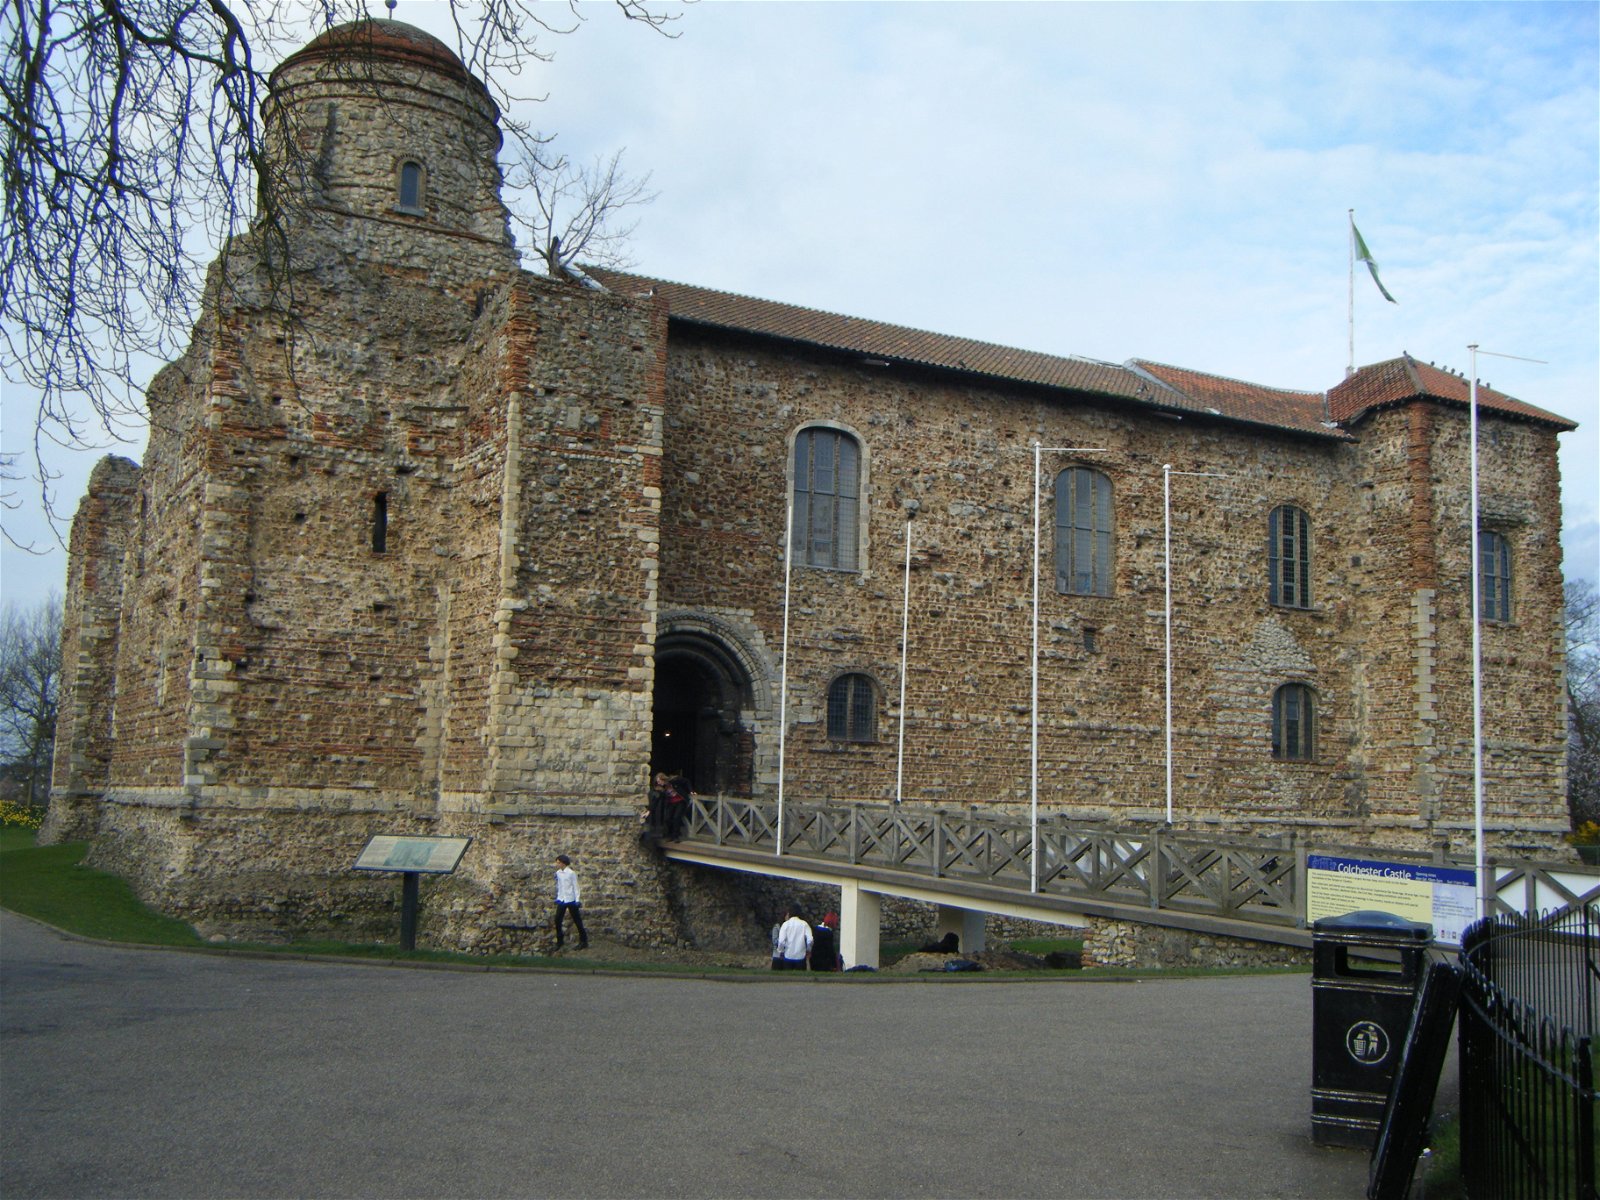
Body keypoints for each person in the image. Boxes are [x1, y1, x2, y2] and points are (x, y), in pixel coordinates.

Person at [552, 854, 588, 950]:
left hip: (571, 899)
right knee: (557, 920)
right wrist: (558, 897)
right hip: (562, 899)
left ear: (563, 863)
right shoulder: (558, 873)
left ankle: (583, 941)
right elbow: (559, 886)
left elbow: (576, 887)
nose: (557, 864)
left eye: (559, 862)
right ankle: (560, 941)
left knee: (577, 921)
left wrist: (577, 900)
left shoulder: (571, 873)